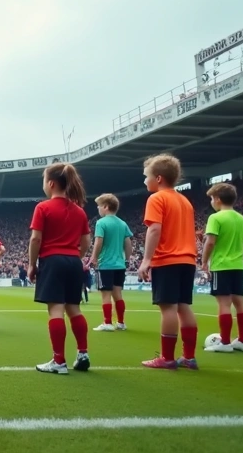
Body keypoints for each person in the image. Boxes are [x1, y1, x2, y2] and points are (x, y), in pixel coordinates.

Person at [29, 163, 92, 375]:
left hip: (52, 261)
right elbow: (86, 240)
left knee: (55, 310)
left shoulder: (43, 208)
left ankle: (59, 361)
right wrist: (77, 256)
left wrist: (31, 264)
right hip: (73, 262)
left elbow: (36, 238)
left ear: (51, 183)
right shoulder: (79, 211)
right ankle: (83, 354)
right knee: (74, 308)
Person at [138, 154, 199, 370]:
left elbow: (154, 229)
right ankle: (189, 357)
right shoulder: (184, 201)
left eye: (147, 176)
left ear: (159, 178)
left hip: (167, 259)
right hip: (187, 259)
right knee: (184, 306)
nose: (145, 180)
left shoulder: (156, 199)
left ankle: (167, 357)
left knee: (168, 308)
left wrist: (146, 260)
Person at [202, 182, 243, 353]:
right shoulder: (242, 219)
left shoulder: (215, 218)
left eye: (211, 198)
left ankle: (224, 342)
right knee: (240, 302)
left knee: (224, 304)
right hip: (238, 265)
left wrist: (204, 262)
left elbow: (210, 242)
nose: (211, 202)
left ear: (217, 199)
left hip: (221, 265)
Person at [89, 193, 132, 332]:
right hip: (120, 264)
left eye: (99, 206)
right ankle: (121, 322)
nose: (98, 209)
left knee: (106, 294)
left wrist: (94, 257)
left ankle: (107, 322)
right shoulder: (122, 223)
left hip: (106, 264)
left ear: (106, 207)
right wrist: (127, 259)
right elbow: (128, 242)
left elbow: (99, 240)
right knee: (118, 294)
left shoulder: (101, 223)